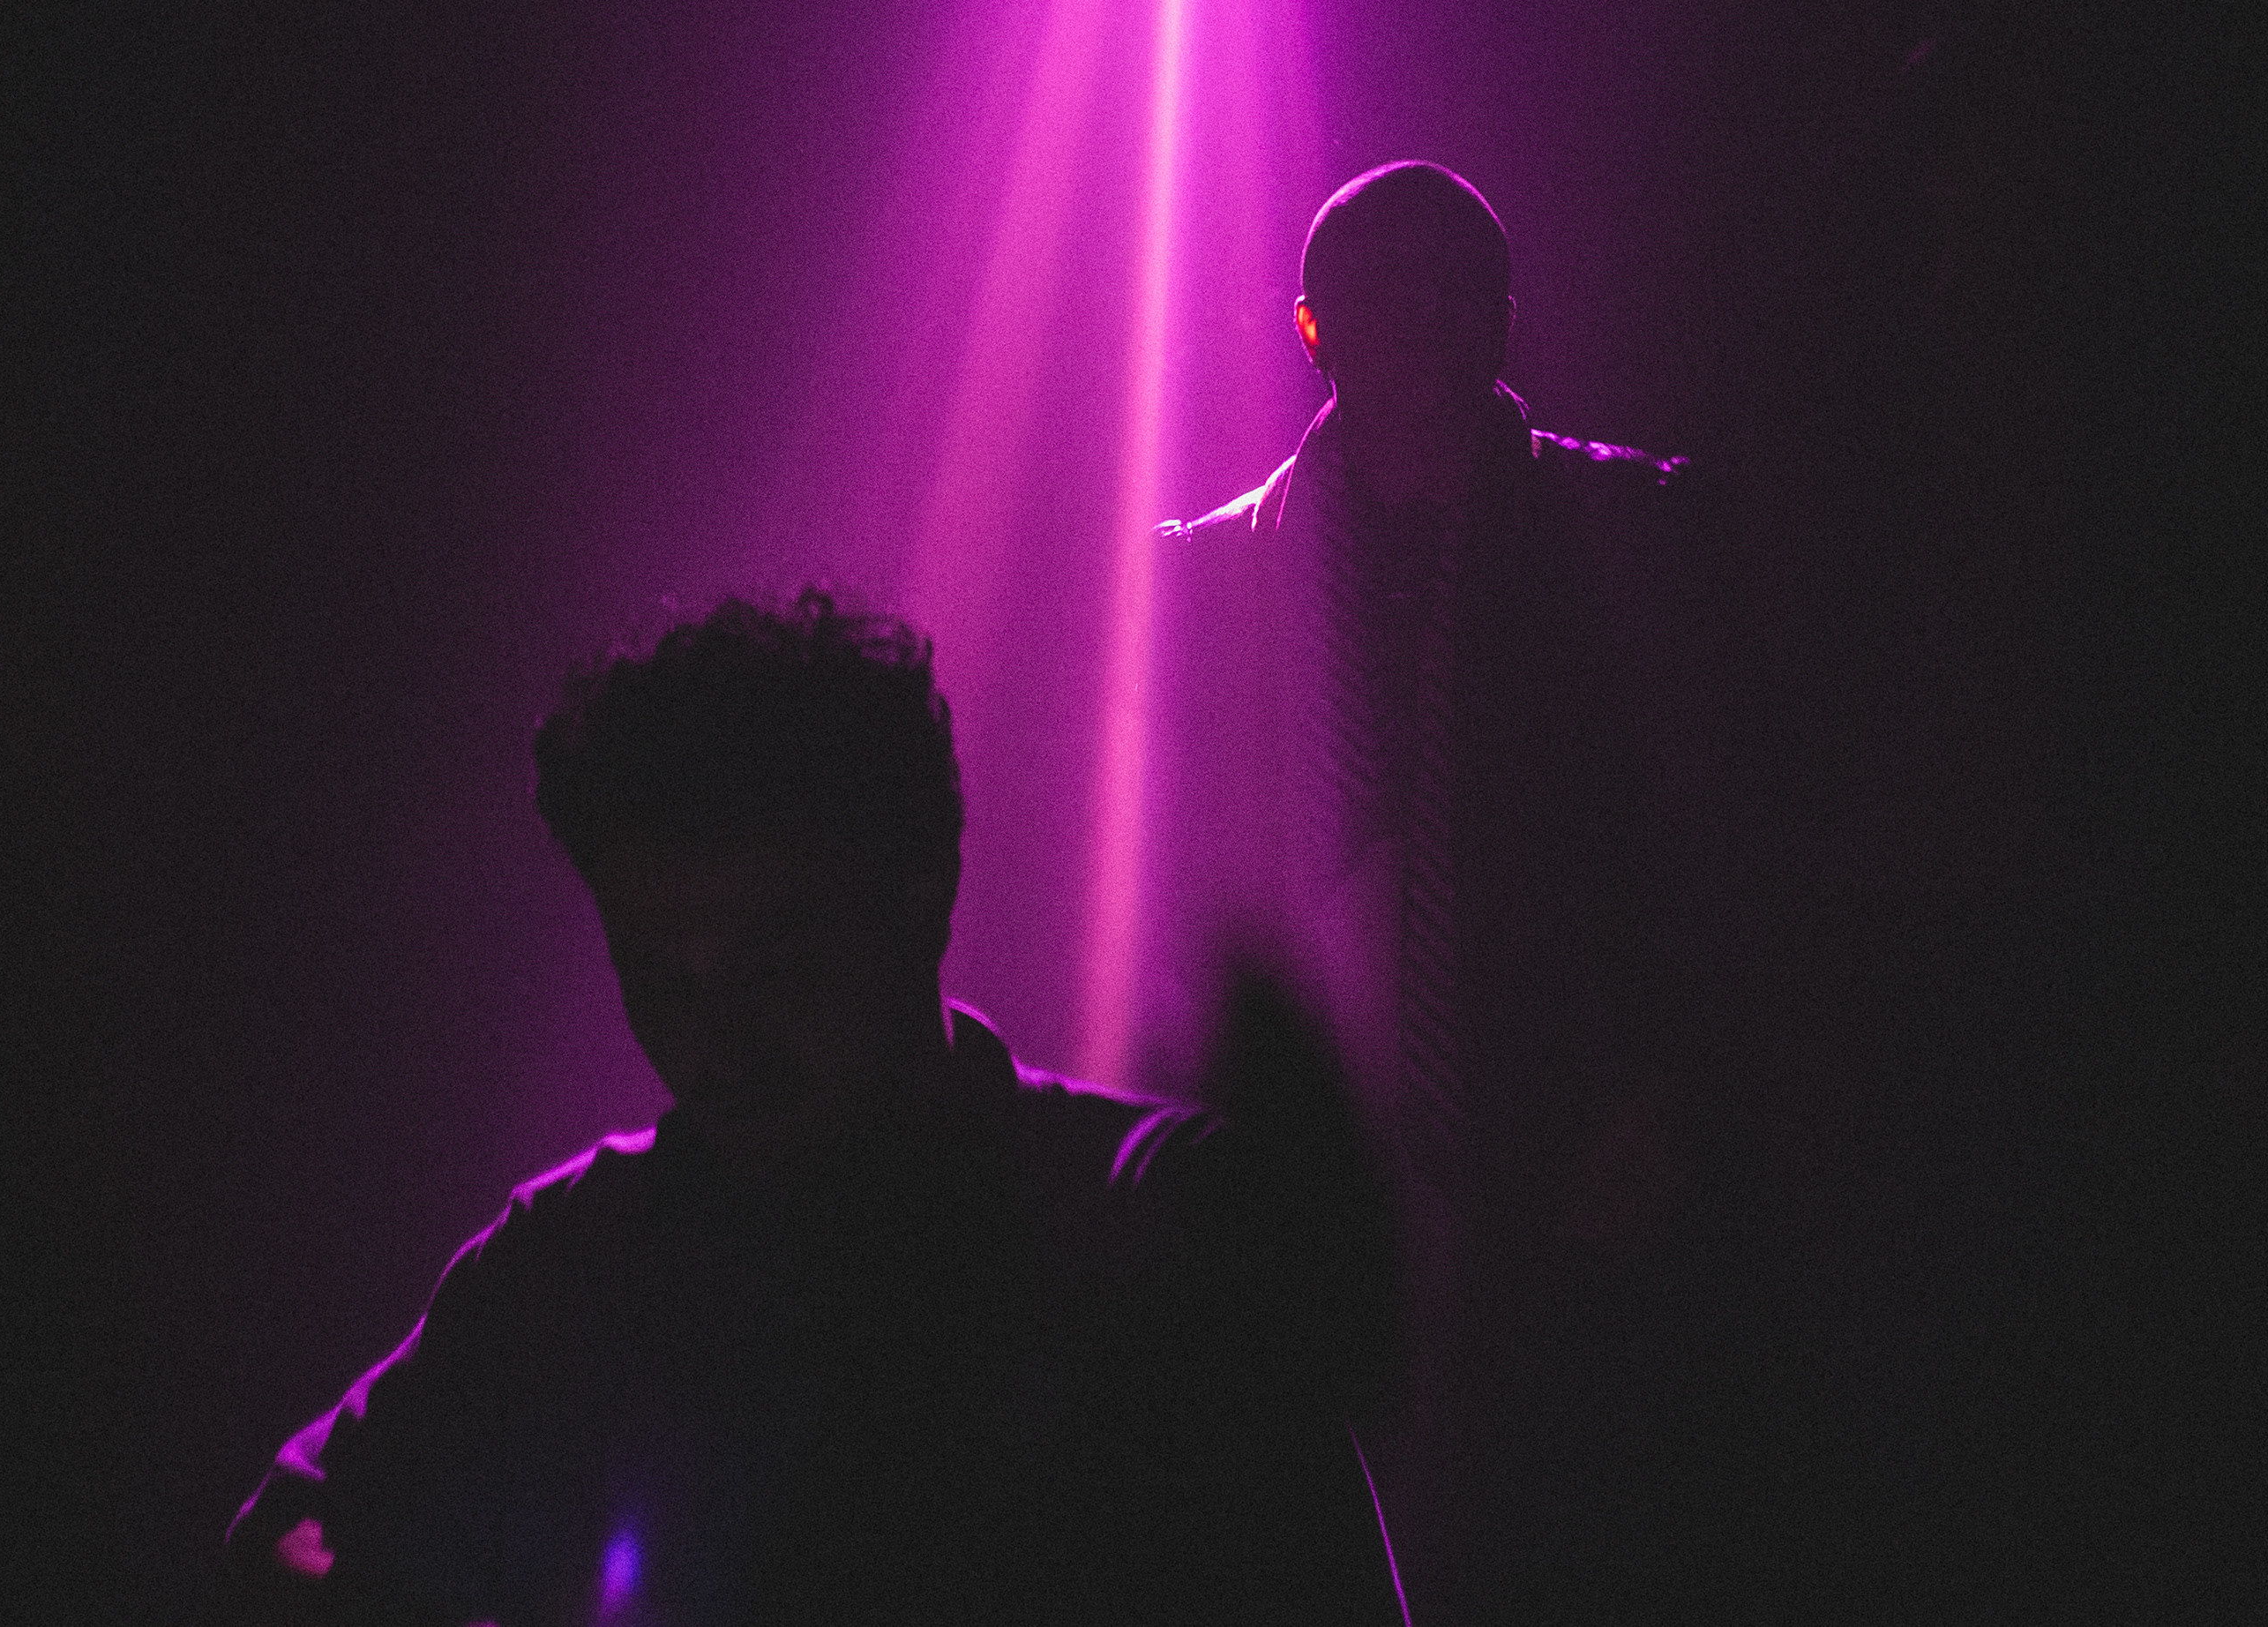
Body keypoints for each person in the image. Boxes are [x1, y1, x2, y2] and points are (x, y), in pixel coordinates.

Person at [227, 590, 1405, 1625]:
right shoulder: (569, 1261)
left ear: (924, 893)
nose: (716, 1038)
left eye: (777, 962)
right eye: (658, 977)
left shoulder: (1154, 1218)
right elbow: (287, 1544)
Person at [1157, 163, 1705, 1625]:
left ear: (1508, 317)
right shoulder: (1209, 579)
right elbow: (1169, 892)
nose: (1427, 314)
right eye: (1386, 285)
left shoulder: (1631, 531)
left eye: (1459, 284)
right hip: (1306, 1174)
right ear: (1311, 326)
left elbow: (1718, 847)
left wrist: (1666, 1090)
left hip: (1580, 1159)